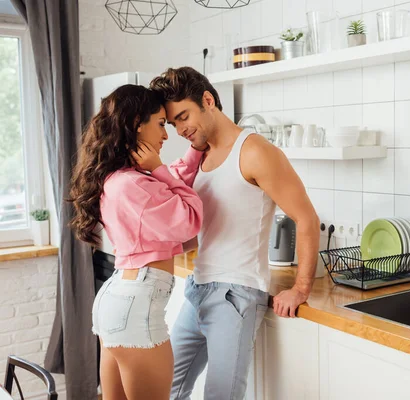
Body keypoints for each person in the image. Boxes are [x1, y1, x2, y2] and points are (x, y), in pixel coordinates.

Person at [149, 67, 320, 400]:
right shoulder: (200, 155)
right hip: (197, 289)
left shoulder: (255, 151)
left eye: (183, 116)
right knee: (167, 391)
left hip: (236, 296)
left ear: (208, 100)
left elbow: (307, 218)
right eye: (173, 123)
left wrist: (301, 288)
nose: (180, 129)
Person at [69, 84, 204, 400]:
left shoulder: (122, 178)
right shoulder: (136, 184)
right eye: (160, 123)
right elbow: (189, 217)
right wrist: (159, 168)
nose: (166, 135)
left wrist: (195, 149)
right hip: (136, 306)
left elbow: (172, 183)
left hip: (119, 299)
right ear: (135, 125)